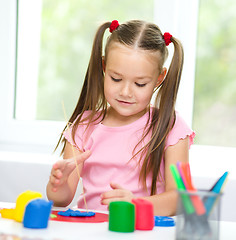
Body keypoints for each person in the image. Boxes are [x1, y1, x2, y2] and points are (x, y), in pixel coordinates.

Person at [46, 19, 195, 216]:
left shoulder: (171, 127)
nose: (125, 92)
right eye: (116, 79)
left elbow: (181, 199)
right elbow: (60, 199)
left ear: (159, 78)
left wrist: (136, 203)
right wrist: (58, 184)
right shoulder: (83, 126)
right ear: (104, 67)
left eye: (140, 84)